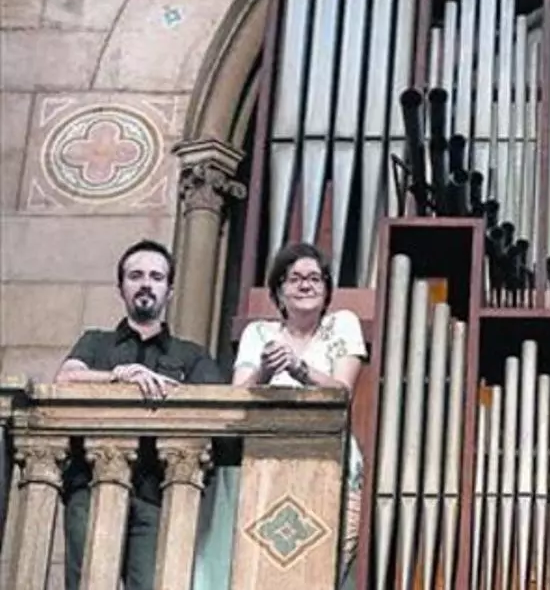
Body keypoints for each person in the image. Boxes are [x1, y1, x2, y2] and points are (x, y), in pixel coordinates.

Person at [54, 239, 227, 590]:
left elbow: (215, 408)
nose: (146, 283)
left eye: (156, 277)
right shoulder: (96, 342)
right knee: (87, 583)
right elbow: (66, 378)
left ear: (170, 291)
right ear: (121, 288)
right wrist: (119, 375)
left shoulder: (192, 355)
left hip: (160, 492)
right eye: (135, 276)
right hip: (89, 484)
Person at [193, 242, 366, 590]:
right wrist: (265, 372)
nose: (306, 285)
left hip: (329, 460)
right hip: (263, 463)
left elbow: (342, 392)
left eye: (315, 278)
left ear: (327, 289)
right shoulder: (259, 333)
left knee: (317, 567)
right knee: (262, 564)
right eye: (295, 278)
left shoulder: (343, 324)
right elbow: (238, 395)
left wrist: (300, 369)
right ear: (279, 290)